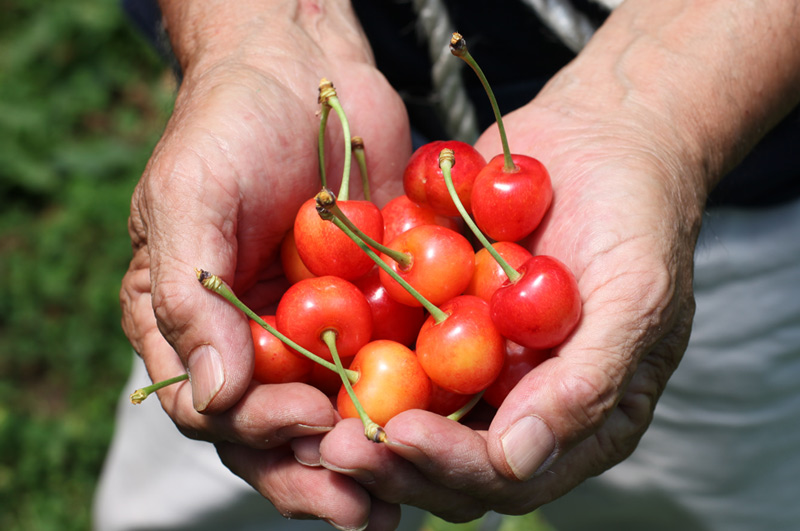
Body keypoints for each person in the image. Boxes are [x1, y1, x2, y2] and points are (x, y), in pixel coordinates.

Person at [94, 0, 800, 529]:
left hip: (694, 175)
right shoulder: (320, 270)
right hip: (294, 180)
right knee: (231, 428)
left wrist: (660, 107)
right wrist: (256, 30)